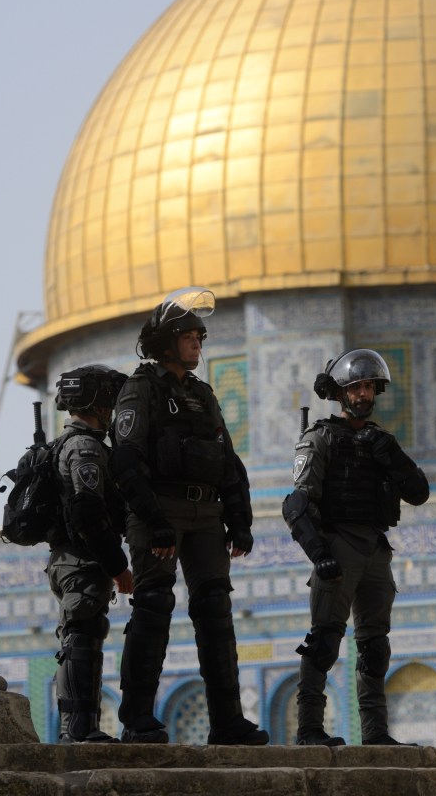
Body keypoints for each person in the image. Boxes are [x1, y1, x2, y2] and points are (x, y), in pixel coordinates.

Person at [109, 287, 268, 746]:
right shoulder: (139, 390)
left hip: (206, 515)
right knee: (154, 606)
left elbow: (228, 461)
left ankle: (227, 722)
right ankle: (138, 718)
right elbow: (125, 461)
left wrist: (240, 519)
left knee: (216, 610)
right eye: (190, 334)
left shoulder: (202, 394)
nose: (199, 340)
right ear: (166, 340)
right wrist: (153, 520)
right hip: (160, 510)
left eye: (201, 333)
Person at [282, 349, 430, 747]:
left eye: (368, 386)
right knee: (325, 640)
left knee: (375, 646)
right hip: (338, 544)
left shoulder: (381, 441)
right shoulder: (321, 438)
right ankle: (310, 729)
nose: (363, 394)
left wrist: (391, 456)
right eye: (354, 387)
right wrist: (320, 554)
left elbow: (419, 492)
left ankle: (375, 732)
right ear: (339, 393)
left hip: (375, 549)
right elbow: (296, 505)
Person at [48, 364, 134, 744]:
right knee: (81, 636)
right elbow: (87, 513)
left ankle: (83, 725)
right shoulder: (84, 448)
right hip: (81, 558)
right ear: (98, 404)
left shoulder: (76, 444)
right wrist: (118, 566)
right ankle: (77, 729)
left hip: (75, 558)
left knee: (86, 632)